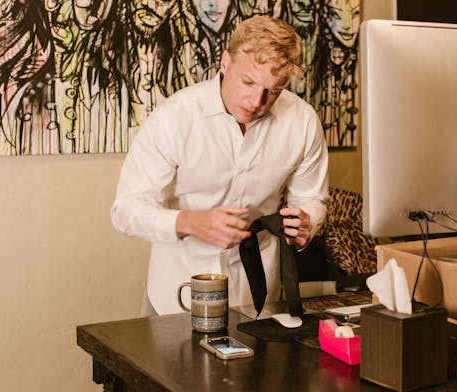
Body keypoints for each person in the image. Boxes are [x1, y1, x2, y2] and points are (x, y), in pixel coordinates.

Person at [110, 16, 329, 315]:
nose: (256, 101)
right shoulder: (174, 119)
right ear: (225, 62)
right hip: (176, 296)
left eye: (273, 91)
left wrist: (307, 224)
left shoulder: (302, 122)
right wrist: (191, 222)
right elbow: (125, 211)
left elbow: (311, 199)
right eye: (248, 82)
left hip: (260, 297)